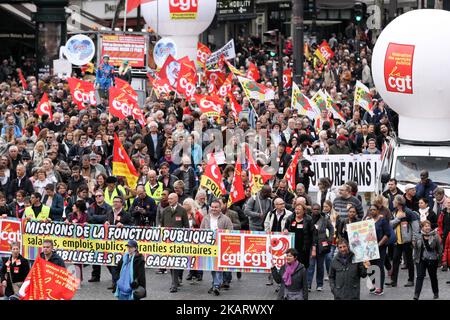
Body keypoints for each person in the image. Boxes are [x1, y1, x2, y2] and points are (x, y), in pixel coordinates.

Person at [200, 199, 233, 296]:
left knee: (218, 266)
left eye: (216, 207)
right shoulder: (205, 218)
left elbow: (231, 231)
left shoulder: (226, 219)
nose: (214, 209)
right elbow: (201, 231)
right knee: (212, 266)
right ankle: (215, 283)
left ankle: (216, 285)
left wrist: (221, 233)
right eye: (212, 207)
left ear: (220, 208)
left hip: (221, 246)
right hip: (209, 246)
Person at [386, 195, 420, 288]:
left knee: (409, 261)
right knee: (395, 260)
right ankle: (393, 281)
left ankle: (411, 280)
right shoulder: (395, 212)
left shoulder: (409, 212)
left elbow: (415, 227)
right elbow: (390, 225)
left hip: (407, 241)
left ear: (398, 203)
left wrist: (414, 239)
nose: (392, 202)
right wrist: (398, 218)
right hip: (397, 241)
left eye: (394, 201)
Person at [161, 193, 189, 293]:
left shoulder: (182, 211)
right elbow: (162, 225)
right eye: (168, 199)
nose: (169, 200)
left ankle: (174, 284)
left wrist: (186, 239)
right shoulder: (165, 211)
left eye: (171, 199)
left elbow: (186, 226)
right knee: (170, 262)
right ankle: (175, 280)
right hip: (168, 241)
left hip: (178, 241)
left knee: (175, 262)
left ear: (176, 199)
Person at [264, 198, 292, 286]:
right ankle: (270, 277)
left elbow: (290, 226)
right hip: (273, 240)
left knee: (282, 260)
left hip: (283, 241)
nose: (283, 205)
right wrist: (267, 232)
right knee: (271, 258)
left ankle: (281, 282)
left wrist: (287, 230)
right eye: (280, 204)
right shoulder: (270, 214)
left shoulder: (289, 214)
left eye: (283, 203)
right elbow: (266, 224)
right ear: (275, 205)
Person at [87, 189, 112, 282]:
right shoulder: (91, 207)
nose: (98, 197)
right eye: (96, 196)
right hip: (94, 234)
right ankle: (95, 275)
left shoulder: (108, 207)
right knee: (95, 254)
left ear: (103, 196)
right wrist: (99, 219)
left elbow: (107, 217)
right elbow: (89, 218)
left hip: (105, 234)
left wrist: (95, 218)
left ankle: (114, 275)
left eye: (100, 196)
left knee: (106, 255)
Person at [308, 203, 334, 292]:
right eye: (314, 209)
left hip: (322, 246)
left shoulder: (325, 219)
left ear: (320, 210)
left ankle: (319, 285)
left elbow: (331, 228)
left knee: (320, 266)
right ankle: (308, 284)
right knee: (310, 266)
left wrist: (330, 240)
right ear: (311, 210)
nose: (316, 211)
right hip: (311, 246)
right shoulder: (308, 219)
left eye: (317, 209)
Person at [413, 220, 440, 300]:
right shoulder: (418, 236)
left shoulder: (435, 235)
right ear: (422, 227)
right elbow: (415, 248)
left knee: (433, 277)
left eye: (428, 226)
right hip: (420, 259)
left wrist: (440, 261)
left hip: (432, 260)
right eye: (425, 226)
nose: (427, 227)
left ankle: (436, 293)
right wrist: (414, 244)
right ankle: (416, 295)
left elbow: (439, 248)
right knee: (419, 277)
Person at [367, 205, 390, 296]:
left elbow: (387, 234)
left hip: (380, 248)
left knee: (379, 267)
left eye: (374, 209)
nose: (372, 211)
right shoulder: (367, 221)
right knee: (370, 267)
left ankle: (380, 287)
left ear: (378, 211)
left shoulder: (382, 221)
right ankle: (373, 285)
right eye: (371, 210)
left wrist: (379, 244)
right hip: (369, 248)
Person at [284, 203, 314, 269]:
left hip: (304, 247)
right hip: (292, 247)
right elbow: (285, 227)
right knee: (292, 266)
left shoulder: (309, 219)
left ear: (304, 211)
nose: (297, 211)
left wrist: (313, 248)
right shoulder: (290, 218)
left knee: (303, 266)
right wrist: (285, 230)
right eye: (296, 209)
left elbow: (313, 234)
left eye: (299, 209)